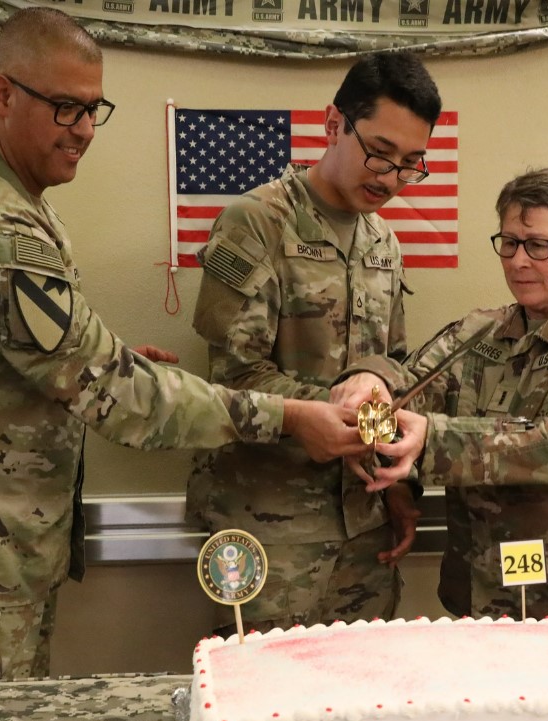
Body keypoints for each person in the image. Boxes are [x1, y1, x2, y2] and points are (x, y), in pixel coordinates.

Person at [0, 8, 368, 686]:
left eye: (94, 110)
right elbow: (117, 396)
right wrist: (287, 416)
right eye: (66, 109)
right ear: (2, 95)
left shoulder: (12, 202)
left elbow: (37, 364)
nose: (84, 132)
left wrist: (111, 362)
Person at [334, 167, 548, 632]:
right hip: (492, 598)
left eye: (538, 245)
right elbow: (405, 394)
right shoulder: (480, 332)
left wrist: (431, 442)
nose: (519, 261)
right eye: (509, 243)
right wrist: (371, 384)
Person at [185, 54, 442, 636]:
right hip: (271, 528)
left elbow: (393, 367)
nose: (390, 177)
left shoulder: (384, 240)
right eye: (378, 151)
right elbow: (233, 376)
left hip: (365, 522)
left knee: (361, 704)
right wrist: (323, 412)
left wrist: (398, 483)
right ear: (333, 125)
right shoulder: (256, 223)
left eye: (409, 164)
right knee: (263, 703)